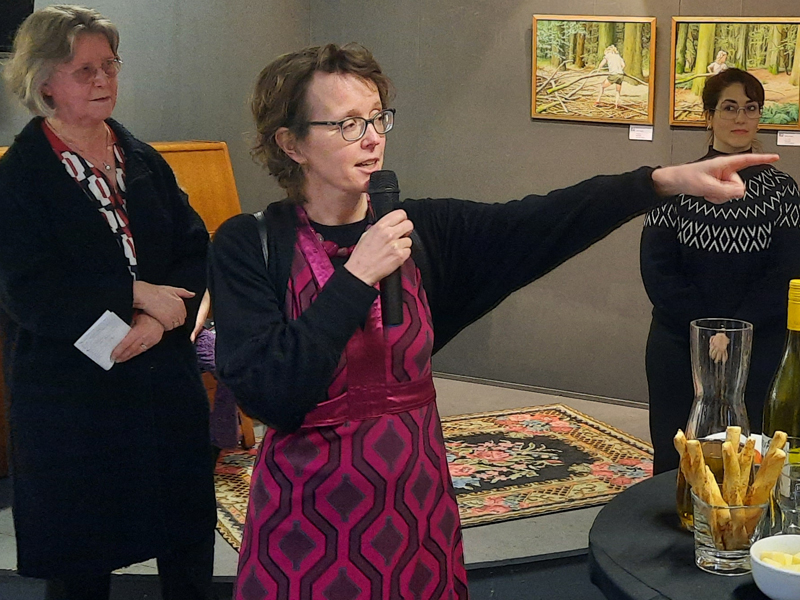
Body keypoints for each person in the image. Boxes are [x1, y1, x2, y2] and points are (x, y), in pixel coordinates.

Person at [207, 43, 778, 600]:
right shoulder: (250, 244)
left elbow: (542, 220)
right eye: (347, 124)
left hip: (415, 511)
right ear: (292, 143)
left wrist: (662, 181)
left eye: (378, 117)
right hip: (308, 520)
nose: (373, 136)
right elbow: (271, 393)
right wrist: (357, 277)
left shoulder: (421, 232)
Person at [0, 6, 217, 599]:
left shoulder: (141, 158)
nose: (103, 80)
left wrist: (152, 322)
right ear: (45, 81)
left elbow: (194, 249)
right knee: (82, 554)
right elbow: (26, 287)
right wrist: (131, 294)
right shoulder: (20, 175)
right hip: (73, 394)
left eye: (110, 66)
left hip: (161, 376)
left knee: (185, 537)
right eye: (84, 70)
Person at [640, 68, 800, 474]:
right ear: (709, 116)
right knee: (677, 450)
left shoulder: (783, 191)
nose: (741, 117)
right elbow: (658, 268)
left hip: (760, 341)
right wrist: (707, 328)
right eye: (729, 108)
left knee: (752, 454)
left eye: (751, 107)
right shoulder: (678, 184)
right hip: (680, 339)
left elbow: (786, 269)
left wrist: (735, 330)